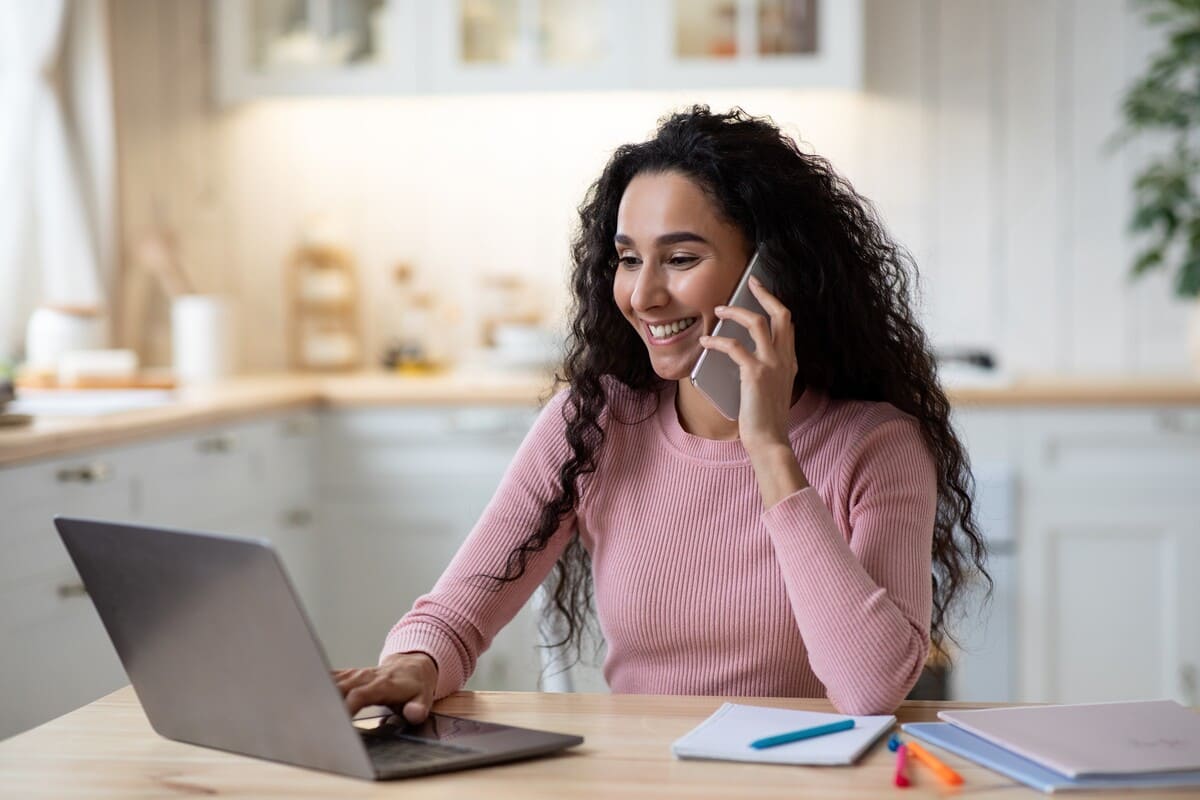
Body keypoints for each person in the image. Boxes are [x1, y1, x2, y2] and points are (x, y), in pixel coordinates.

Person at [335, 106, 989, 722]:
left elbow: (870, 688)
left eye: (679, 259)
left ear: (776, 274)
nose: (644, 295)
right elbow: (457, 611)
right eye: (627, 259)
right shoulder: (593, 424)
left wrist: (768, 449)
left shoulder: (876, 445)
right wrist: (413, 665)